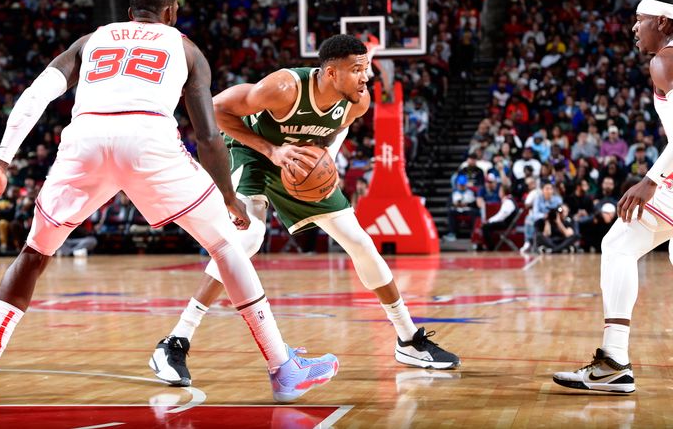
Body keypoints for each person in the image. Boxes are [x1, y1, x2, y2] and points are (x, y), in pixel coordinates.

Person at [0, 0, 338, 415]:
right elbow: (208, 135)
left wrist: (2, 161)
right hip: (148, 139)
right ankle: (283, 369)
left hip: (86, 139)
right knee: (225, 247)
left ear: (131, 12)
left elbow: (36, 94)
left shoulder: (91, 40)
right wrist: (228, 197)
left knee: (34, 254)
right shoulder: (185, 47)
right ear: (171, 13)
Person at [149, 34, 459, 388]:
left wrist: (327, 159)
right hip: (255, 155)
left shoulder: (357, 101)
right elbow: (214, 108)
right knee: (249, 237)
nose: (367, 77)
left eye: (367, 68)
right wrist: (271, 151)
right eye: (358, 69)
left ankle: (408, 339)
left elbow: (334, 133)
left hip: (301, 162)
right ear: (330, 73)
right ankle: (176, 340)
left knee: (360, 241)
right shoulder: (284, 87)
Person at [554, 0, 673, 393]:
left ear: (662, 22)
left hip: (669, 181)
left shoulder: (666, 62)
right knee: (619, 244)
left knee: (619, 245)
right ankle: (614, 361)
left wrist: (650, 179)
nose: (634, 28)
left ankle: (615, 361)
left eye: (640, 20)